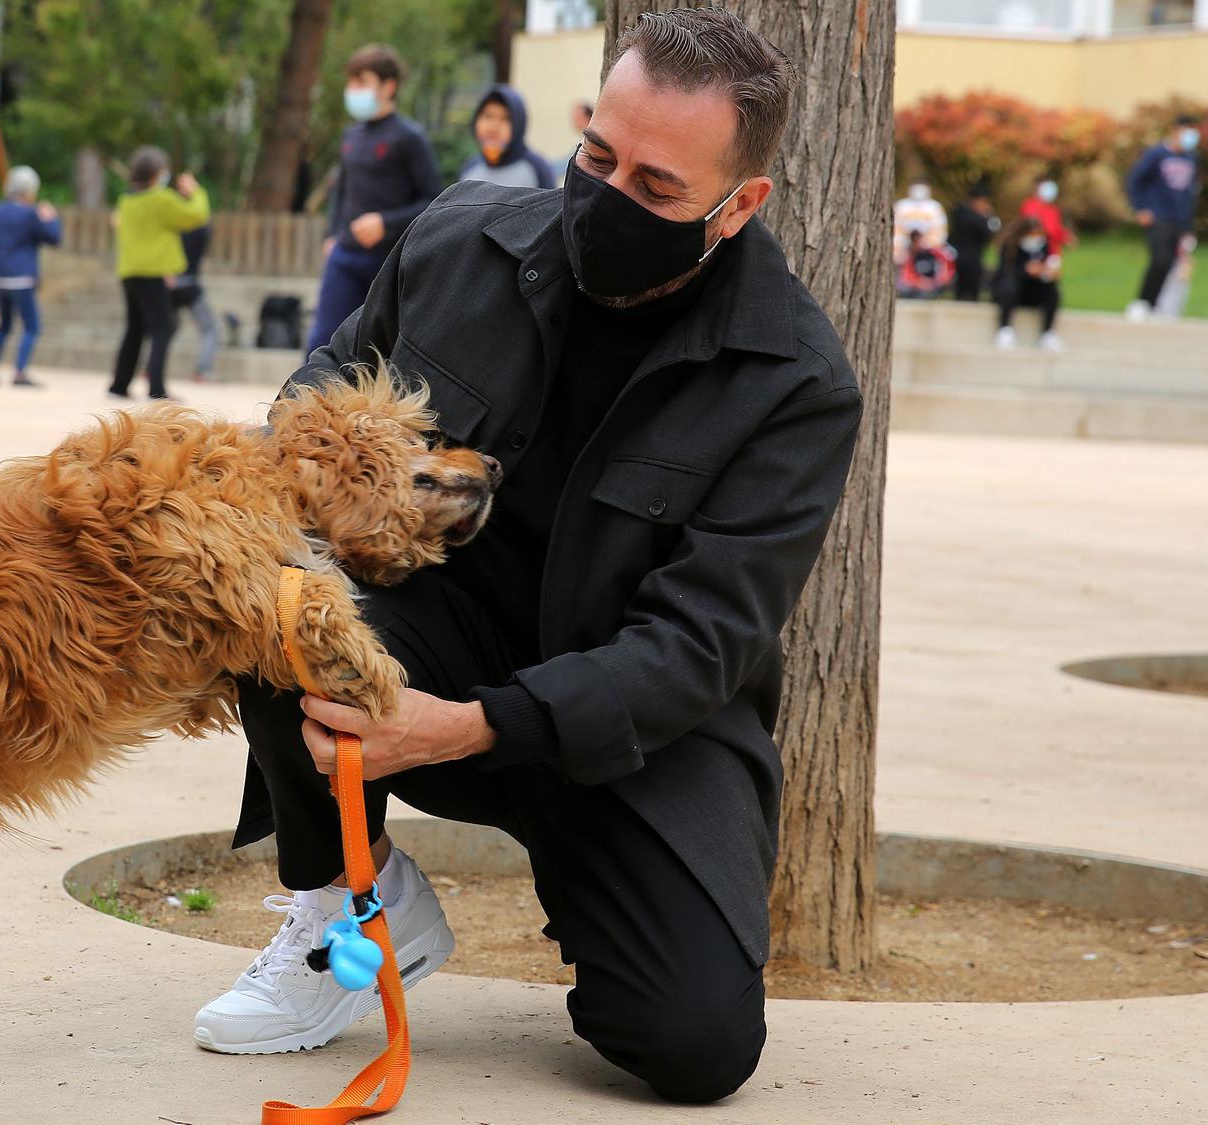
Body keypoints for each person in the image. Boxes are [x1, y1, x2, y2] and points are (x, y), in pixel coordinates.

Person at [192, 8, 862, 1105]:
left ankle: (594, 876)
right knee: (274, 596)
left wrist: (468, 730)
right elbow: (313, 398)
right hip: (432, 638)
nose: (608, 198)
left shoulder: (794, 385)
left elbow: (699, 646)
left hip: (637, 730)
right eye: (597, 157)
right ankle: (349, 905)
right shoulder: (457, 237)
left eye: (656, 189)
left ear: (739, 205)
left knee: (690, 1050)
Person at [304, 44, 441, 353]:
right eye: (350, 82)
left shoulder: (410, 138)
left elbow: (434, 200)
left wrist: (386, 222)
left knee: (381, 348)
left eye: (361, 82)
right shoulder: (351, 136)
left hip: (390, 260)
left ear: (388, 86)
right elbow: (341, 190)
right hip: (345, 255)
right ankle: (306, 402)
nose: (352, 90)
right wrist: (331, 235)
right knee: (322, 341)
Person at [108, 147, 208, 402]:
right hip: (154, 273)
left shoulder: (126, 201)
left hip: (129, 272)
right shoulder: (161, 198)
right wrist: (196, 192)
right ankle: (157, 387)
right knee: (162, 328)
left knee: (134, 328)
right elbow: (195, 216)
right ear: (156, 174)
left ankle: (119, 384)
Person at [0, 164, 61, 388]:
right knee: (32, 325)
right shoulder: (31, 213)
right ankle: (20, 372)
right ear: (30, 189)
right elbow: (53, 238)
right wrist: (50, 217)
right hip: (21, 276)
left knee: (4, 323)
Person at [1123, 114, 1202, 322]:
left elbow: (1190, 193)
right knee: (1160, 259)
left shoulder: (1191, 158)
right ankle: (1142, 302)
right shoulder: (1156, 154)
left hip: (1179, 220)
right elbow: (1134, 180)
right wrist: (1140, 208)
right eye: (1188, 131)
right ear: (1176, 131)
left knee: (1170, 265)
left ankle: (1155, 305)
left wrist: (1189, 227)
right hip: (1159, 216)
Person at [458, 85, 555, 190]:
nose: (493, 127)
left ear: (519, 125)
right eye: (488, 116)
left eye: (505, 119)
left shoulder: (537, 168)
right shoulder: (470, 168)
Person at [991, 215, 1064, 352]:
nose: (1035, 238)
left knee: (1052, 291)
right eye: (1033, 234)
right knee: (1009, 287)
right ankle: (1005, 329)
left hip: (1032, 291)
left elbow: (1048, 265)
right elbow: (1004, 272)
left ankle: (1047, 333)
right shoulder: (1010, 247)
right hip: (1011, 291)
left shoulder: (1043, 246)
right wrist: (1025, 270)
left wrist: (1047, 272)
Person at [172, 222, 221, 382]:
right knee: (209, 329)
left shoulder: (171, 227)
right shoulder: (201, 228)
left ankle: (149, 370)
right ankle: (202, 370)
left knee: (164, 330)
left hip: (169, 283)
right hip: (189, 284)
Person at [947, 183, 998, 302]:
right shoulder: (961, 212)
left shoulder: (986, 216)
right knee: (960, 289)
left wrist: (986, 216)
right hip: (961, 255)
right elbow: (974, 224)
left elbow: (989, 232)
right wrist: (982, 216)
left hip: (976, 255)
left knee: (974, 288)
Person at [1018, 177, 1073, 257]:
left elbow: (1056, 228)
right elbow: (1034, 226)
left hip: (1052, 250)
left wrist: (1065, 236)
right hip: (1036, 250)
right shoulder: (1029, 206)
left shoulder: (1053, 209)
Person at [892, 180, 947, 258]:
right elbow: (895, 229)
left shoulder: (934, 207)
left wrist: (924, 244)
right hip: (902, 251)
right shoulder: (901, 206)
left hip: (928, 252)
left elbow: (940, 232)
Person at [896, 229, 956, 299]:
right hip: (917, 288)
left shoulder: (934, 253)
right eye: (916, 240)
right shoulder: (909, 256)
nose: (919, 243)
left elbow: (947, 267)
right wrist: (919, 282)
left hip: (936, 285)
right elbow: (907, 275)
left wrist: (937, 281)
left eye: (920, 239)